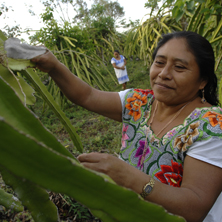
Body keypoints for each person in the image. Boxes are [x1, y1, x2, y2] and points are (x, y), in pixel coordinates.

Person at [31, 31, 222, 222]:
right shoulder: (138, 101)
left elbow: (194, 208)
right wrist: (54, 66)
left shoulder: (211, 125)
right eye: (159, 62)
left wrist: (129, 178)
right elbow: (87, 96)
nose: (163, 74)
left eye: (179, 67)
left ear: (202, 80)